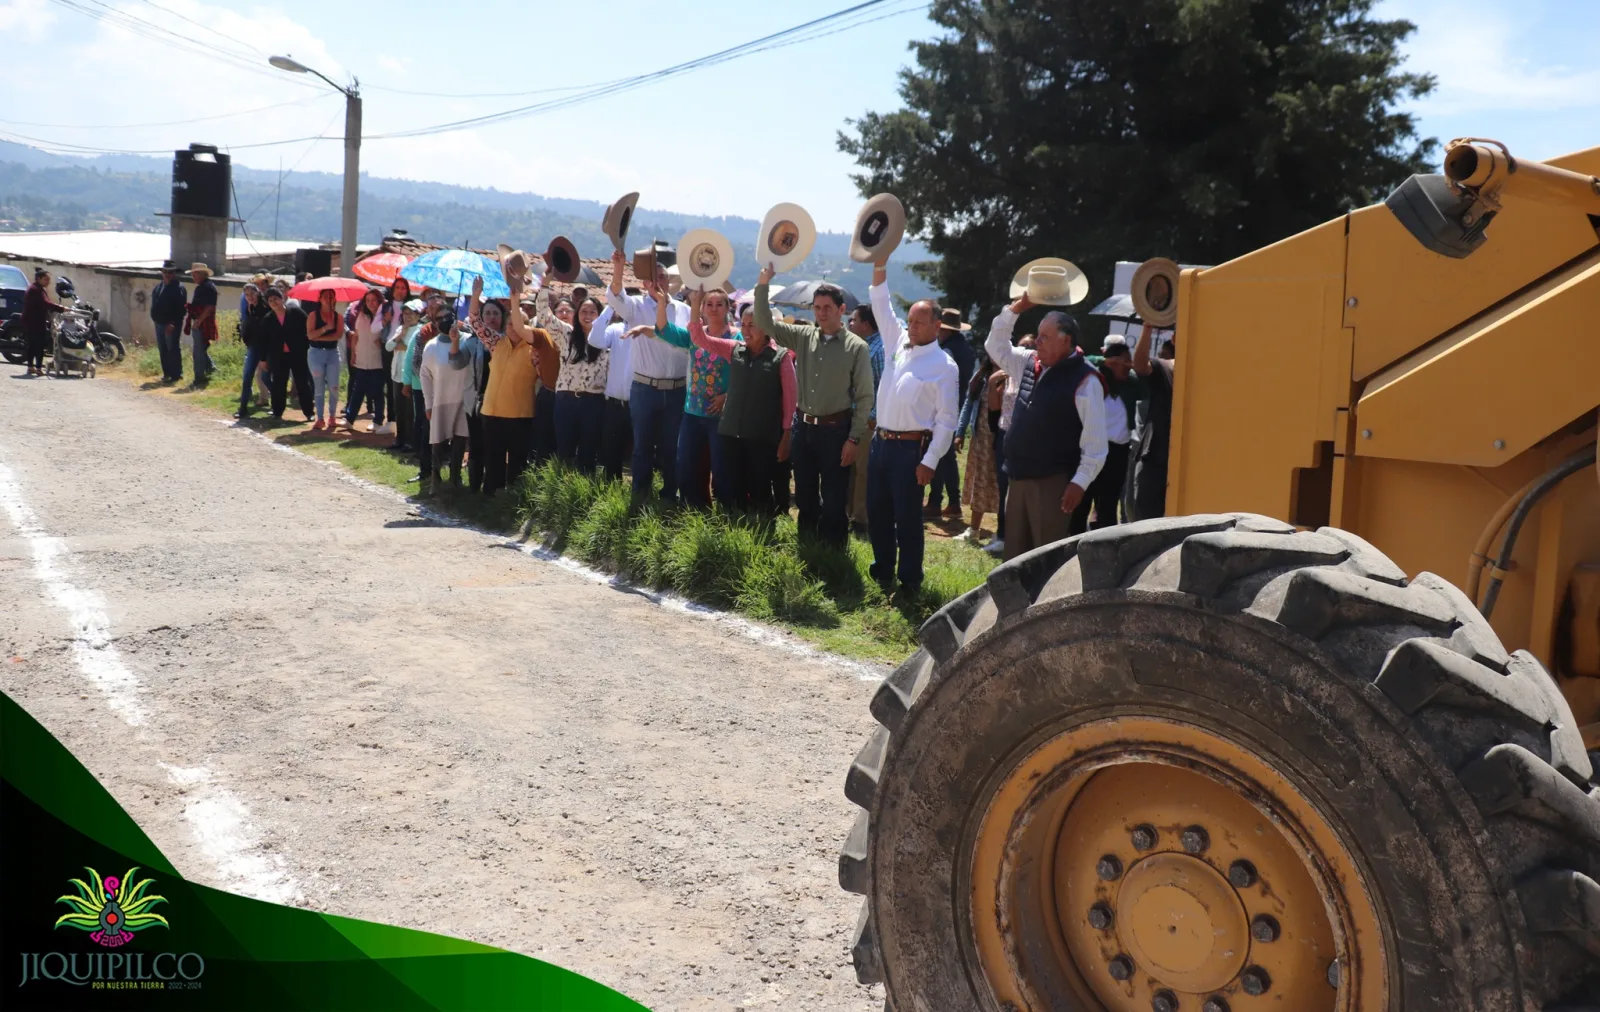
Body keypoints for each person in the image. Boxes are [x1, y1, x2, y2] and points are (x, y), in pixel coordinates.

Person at [753, 265, 875, 546]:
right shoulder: (802, 336)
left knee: (834, 499)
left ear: (841, 309)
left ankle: (833, 556)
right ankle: (807, 549)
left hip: (836, 431)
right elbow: (764, 321)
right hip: (803, 428)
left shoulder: (857, 347)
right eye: (817, 307)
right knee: (806, 495)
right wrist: (763, 284)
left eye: (827, 307)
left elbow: (865, 396)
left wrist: (854, 438)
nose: (821, 312)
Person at [984, 292, 1107, 561]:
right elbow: (995, 346)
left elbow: (1096, 446)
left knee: (1046, 561)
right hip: (1018, 477)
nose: (1037, 341)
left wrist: (1079, 483)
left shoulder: (1086, 381)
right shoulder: (1029, 362)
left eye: (1045, 337)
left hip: (1053, 484)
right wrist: (1014, 310)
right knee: (1015, 560)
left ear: (1066, 341)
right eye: (1038, 335)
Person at [864, 258, 958, 594]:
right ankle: (883, 572)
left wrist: (930, 461)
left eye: (920, 322)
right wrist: (880, 264)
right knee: (877, 512)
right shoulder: (898, 343)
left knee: (907, 519)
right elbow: (880, 303)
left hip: (909, 449)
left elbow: (948, 420)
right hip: (881, 443)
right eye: (910, 320)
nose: (912, 326)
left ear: (937, 326)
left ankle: (909, 582)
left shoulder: (944, 366)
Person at [606, 249, 690, 505]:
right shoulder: (636, 307)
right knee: (642, 447)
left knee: (671, 448)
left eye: (663, 277)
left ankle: (669, 498)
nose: (659, 282)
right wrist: (619, 268)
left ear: (669, 281)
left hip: (677, 389)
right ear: (644, 283)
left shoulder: (684, 311)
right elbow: (615, 297)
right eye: (654, 278)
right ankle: (639, 498)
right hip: (645, 387)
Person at [651, 283, 733, 509]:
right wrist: (661, 304)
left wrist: (727, 395)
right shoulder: (695, 336)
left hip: (722, 415)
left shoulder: (736, 338)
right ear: (703, 308)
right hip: (692, 411)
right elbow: (664, 329)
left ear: (728, 308)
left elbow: (746, 373)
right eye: (709, 304)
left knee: (721, 468)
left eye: (719, 304)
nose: (714, 308)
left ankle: (727, 517)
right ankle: (694, 512)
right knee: (686, 465)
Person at [472, 274, 551, 496]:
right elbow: (475, 320)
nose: (513, 328)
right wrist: (477, 295)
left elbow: (545, 377)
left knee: (517, 459)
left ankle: (513, 499)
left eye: (519, 324)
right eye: (510, 324)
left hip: (520, 414)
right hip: (491, 411)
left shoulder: (534, 350)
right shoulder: (496, 342)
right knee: (493, 457)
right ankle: (490, 497)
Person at [536, 289, 610, 473]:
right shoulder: (567, 334)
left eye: (593, 312)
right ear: (577, 314)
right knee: (565, 451)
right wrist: (544, 285)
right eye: (584, 311)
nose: (588, 315)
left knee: (588, 451)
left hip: (594, 402)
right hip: (566, 401)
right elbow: (543, 315)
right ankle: (561, 493)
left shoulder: (608, 339)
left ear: (600, 315)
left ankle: (583, 493)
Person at [1071, 337, 1139, 533]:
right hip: (1093, 448)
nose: (1127, 364)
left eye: (1129, 360)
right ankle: (1072, 543)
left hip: (1118, 452)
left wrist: (1126, 364)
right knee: (1083, 501)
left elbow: (1144, 374)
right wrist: (1105, 360)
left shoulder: (1132, 382)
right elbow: (1082, 358)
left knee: (1108, 505)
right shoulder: (1095, 378)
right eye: (1123, 360)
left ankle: (1104, 546)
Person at [418, 308, 477, 496]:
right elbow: (425, 375)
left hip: (463, 399)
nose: (445, 320)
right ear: (434, 322)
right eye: (440, 317)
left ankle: (455, 476)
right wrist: (428, 403)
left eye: (448, 316)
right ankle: (435, 478)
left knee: (460, 439)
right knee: (437, 441)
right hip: (440, 399)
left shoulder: (467, 341)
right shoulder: (431, 346)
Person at [925, 308, 975, 520]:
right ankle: (952, 502)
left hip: (943, 407)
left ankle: (937, 502)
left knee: (939, 456)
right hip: (958, 404)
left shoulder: (946, 352)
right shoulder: (966, 349)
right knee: (946, 457)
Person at [580, 298, 632, 482]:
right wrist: (611, 306)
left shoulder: (650, 331)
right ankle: (612, 493)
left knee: (641, 454)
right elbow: (594, 340)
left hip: (640, 403)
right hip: (614, 404)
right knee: (611, 454)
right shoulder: (616, 329)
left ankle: (641, 497)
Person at [955, 359, 1006, 542]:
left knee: (1001, 485)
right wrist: (960, 432)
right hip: (980, 439)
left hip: (1001, 438)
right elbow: (969, 404)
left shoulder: (1011, 376)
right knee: (979, 482)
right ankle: (974, 529)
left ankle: (1001, 533)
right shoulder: (981, 376)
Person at [1131, 322, 1175, 520]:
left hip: (1189, 461)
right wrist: (1147, 327)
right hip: (1154, 457)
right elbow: (1140, 365)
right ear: (1175, 339)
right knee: (1145, 526)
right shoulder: (1164, 366)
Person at [846, 302, 883, 529]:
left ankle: (861, 518)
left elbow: (882, 386)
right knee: (851, 468)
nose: (850, 324)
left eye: (854, 320)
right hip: (855, 416)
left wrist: (873, 417)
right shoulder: (862, 346)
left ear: (866, 325)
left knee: (862, 471)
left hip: (867, 420)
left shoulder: (878, 350)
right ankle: (851, 512)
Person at [263, 287, 314, 421]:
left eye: (276, 299)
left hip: (297, 354)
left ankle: (309, 412)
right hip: (278, 356)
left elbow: (308, 327)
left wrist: (305, 345)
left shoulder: (296, 312)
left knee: (302, 382)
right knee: (279, 383)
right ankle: (277, 412)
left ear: (282, 299)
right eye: (271, 300)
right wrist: (263, 359)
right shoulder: (268, 319)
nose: (274, 302)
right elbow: (263, 341)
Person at [344, 289, 388, 433]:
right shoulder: (361, 315)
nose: (371, 303)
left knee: (377, 392)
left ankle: (378, 420)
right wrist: (353, 355)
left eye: (374, 300)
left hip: (377, 360)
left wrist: (381, 343)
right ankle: (349, 419)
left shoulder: (384, 316)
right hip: (362, 358)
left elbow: (388, 336)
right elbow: (356, 335)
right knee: (358, 390)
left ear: (380, 301)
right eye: (368, 300)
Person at [305, 289, 345, 431]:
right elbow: (310, 336)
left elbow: (337, 336)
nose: (328, 299)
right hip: (316, 353)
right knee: (319, 385)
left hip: (332, 352)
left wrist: (319, 336)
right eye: (326, 296)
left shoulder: (338, 317)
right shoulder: (313, 316)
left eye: (331, 297)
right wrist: (325, 329)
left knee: (334, 386)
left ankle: (332, 416)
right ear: (320, 298)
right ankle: (320, 417)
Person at [235, 283, 271, 419]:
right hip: (253, 347)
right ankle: (243, 409)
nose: (250, 297)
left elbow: (264, 333)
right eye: (247, 295)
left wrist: (263, 358)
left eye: (252, 294)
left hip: (264, 348)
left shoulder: (264, 308)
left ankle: (278, 404)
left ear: (258, 293)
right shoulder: (250, 308)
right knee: (247, 376)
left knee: (266, 378)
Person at [20, 267, 65, 376]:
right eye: (46, 279)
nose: (48, 282)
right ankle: (38, 368)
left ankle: (31, 367)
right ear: (39, 278)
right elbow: (46, 303)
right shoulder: (35, 290)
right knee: (39, 345)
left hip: (33, 321)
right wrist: (61, 308)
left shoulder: (37, 289)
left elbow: (46, 303)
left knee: (33, 345)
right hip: (34, 322)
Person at [150, 260, 187, 383]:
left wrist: (173, 323)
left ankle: (176, 375)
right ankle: (167, 374)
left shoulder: (178, 288)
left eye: (170, 272)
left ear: (174, 273)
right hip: (159, 323)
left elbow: (180, 309)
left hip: (171, 323)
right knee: (163, 348)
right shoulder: (159, 286)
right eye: (165, 271)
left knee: (172, 348)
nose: (167, 274)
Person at [184, 262, 218, 387]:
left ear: (203, 274)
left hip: (203, 323)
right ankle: (212, 370)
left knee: (198, 351)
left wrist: (198, 321)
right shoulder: (202, 286)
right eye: (193, 274)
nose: (193, 276)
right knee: (201, 349)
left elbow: (209, 308)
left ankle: (199, 379)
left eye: (196, 274)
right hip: (200, 322)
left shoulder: (208, 287)